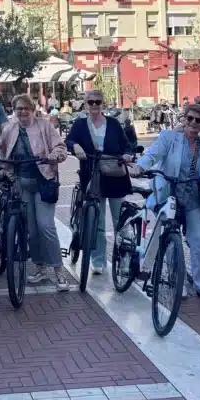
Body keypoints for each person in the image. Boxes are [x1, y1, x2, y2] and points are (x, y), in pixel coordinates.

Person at [131, 102, 200, 301]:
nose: (193, 123)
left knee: (199, 241)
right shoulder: (169, 137)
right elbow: (153, 154)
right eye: (190, 118)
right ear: (184, 118)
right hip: (169, 195)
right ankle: (176, 279)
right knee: (172, 240)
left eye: (198, 120)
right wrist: (140, 166)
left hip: (193, 198)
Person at [0, 93, 69, 291]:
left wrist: (55, 155)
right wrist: (2, 168)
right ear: (14, 110)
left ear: (33, 109)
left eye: (25, 108)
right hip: (22, 184)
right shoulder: (9, 129)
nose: (22, 112)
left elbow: (60, 147)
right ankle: (40, 268)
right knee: (32, 231)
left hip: (44, 181)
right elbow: (2, 151)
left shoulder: (45, 126)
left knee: (46, 226)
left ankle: (59, 271)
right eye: (18, 109)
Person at [66, 89, 134, 275]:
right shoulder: (80, 124)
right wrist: (76, 145)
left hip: (115, 176)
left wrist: (128, 154)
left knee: (121, 222)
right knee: (97, 221)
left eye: (98, 102)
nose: (95, 105)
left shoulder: (113, 123)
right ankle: (98, 260)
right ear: (86, 104)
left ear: (103, 103)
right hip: (92, 176)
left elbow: (127, 144)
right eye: (91, 102)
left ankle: (125, 260)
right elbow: (68, 141)